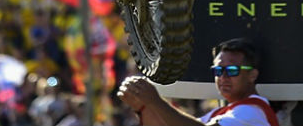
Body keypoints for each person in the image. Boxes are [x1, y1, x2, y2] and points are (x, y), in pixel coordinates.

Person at [118, 38, 278, 125]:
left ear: (252, 75)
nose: (223, 77)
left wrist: (155, 101)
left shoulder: (252, 112)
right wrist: (142, 106)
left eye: (232, 70)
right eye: (218, 70)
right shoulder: (219, 114)